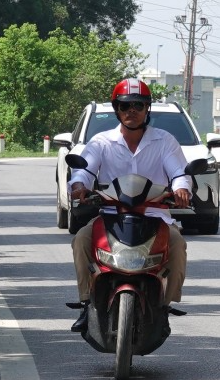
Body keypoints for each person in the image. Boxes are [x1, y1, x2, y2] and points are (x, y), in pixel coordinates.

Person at [68, 78, 191, 333]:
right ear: (117, 110)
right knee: (81, 239)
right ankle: (86, 302)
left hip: (155, 215)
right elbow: (85, 170)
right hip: (111, 214)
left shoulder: (164, 141)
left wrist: (181, 188)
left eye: (137, 105)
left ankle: (165, 306)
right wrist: (79, 185)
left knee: (178, 245)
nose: (131, 111)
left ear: (147, 108)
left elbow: (179, 172)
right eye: (125, 106)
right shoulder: (101, 141)